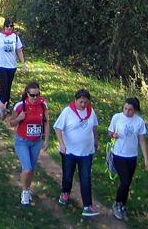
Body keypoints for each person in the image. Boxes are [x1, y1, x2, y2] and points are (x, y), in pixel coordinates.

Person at [54, 89, 100, 217]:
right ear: (75, 100)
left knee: (85, 178)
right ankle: (65, 193)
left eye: (86, 102)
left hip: (86, 152)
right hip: (69, 152)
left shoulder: (91, 112)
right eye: (81, 102)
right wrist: (62, 144)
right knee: (68, 175)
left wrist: (96, 140)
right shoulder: (68, 112)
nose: (83, 105)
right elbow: (58, 128)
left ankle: (87, 206)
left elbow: (94, 127)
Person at [8, 81, 50, 205]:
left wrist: (46, 139)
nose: (35, 98)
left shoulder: (43, 104)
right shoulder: (20, 106)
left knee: (31, 169)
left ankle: (27, 188)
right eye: (32, 95)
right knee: (27, 169)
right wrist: (19, 118)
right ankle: (25, 192)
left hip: (36, 142)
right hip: (22, 141)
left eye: (37, 95)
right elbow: (11, 123)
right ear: (27, 94)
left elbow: (46, 122)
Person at [108, 97, 148, 221]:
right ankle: (117, 204)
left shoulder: (139, 122)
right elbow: (110, 132)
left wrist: (146, 159)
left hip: (132, 157)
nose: (127, 112)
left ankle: (123, 205)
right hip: (118, 154)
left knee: (127, 183)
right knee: (125, 181)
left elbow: (142, 140)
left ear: (135, 110)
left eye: (130, 110)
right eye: (125, 108)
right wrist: (112, 135)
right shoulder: (117, 117)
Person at [0, 18, 25, 107]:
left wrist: (23, 63)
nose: (9, 28)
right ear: (4, 26)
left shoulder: (15, 37)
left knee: (8, 86)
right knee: (3, 85)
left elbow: (19, 50)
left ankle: (5, 104)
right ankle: (1, 104)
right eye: (7, 26)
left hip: (11, 66)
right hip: (1, 65)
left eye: (11, 26)